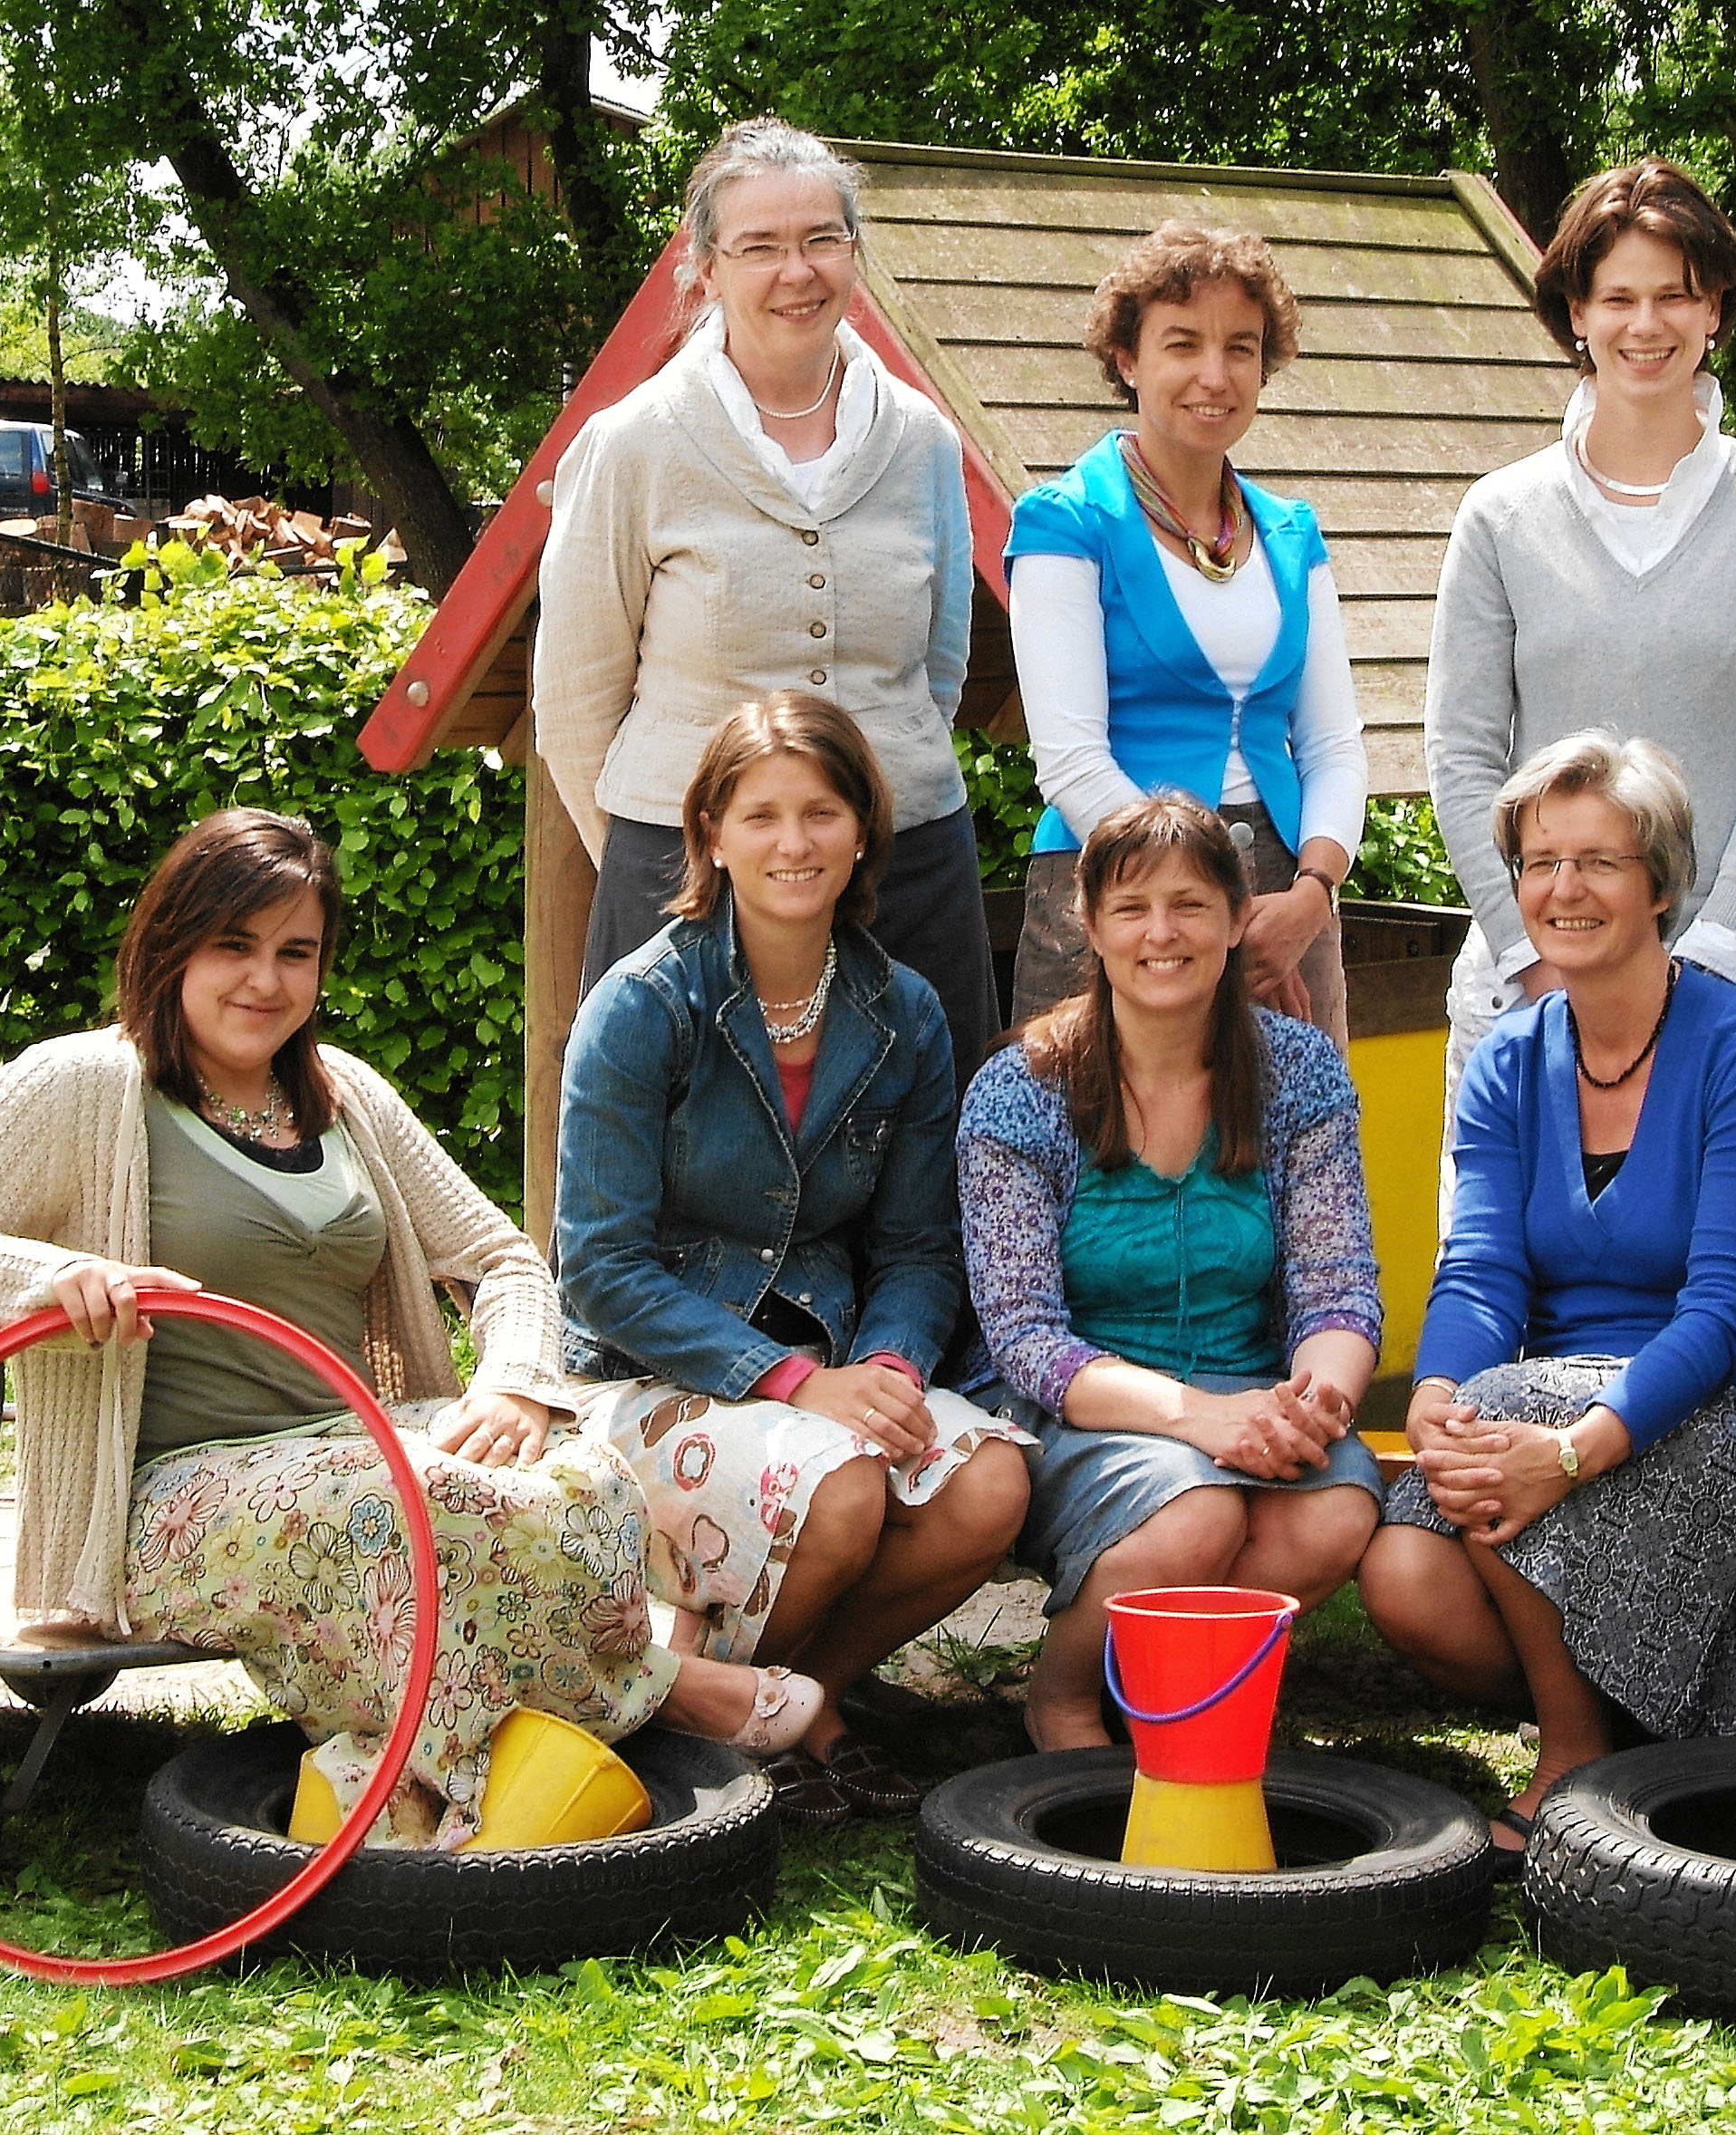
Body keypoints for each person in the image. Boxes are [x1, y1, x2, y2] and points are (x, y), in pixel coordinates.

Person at [0, 809, 818, 1850]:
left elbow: (500, 1256)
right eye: (234, 945)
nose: (264, 980)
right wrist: (49, 1273)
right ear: (169, 942)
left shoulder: (342, 1094)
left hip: (353, 1435)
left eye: (294, 953)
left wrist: (513, 1378)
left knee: (582, 1472)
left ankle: (456, 1762)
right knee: (403, 1508)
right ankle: (639, 1709)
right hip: (168, 1488)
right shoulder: (81, 1083)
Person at [555, 693, 1030, 1828]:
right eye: (760, 814)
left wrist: (890, 1371)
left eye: (820, 812)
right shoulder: (643, 1004)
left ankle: (761, 1693)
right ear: (710, 832)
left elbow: (920, 1245)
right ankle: (795, 1722)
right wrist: (797, 1385)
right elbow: (599, 1269)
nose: (792, 842)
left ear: (863, 830)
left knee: (988, 1484)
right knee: (845, 1483)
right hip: (652, 1373)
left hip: (835, 1362)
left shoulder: (903, 1010)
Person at [1363, 734, 1736, 1868]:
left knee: (1500, 1431)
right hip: (1540, 1404)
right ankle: (1638, 1726)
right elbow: (1477, 1269)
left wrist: (1568, 1450)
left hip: (1729, 1407)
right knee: (1400, 1575)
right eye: (1539, 862)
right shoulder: (1508, 1060)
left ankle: (1571, 1749)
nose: (1562, 889)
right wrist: (1435, 1390)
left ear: (1660, 883)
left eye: (1597, 862)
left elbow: (1724, 1312)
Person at [534, 118, 998, 1087]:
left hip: (906, 862)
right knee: (667, 1165)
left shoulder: (921, 441)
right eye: (761, 246)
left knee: (917, 1165)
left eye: (821, 239)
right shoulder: (633, 443)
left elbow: (936, 670)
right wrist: (683, 849)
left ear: (853, 252)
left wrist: (866, 800)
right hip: (682, 871)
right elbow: (576, 699)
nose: (798, 270)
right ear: (706, 267)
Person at [1427, 157, 1736, 1149]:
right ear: (1575, 311)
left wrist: (1699, 968)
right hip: (1535, 984)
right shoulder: (1500, 514)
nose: (1643, 325)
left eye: (1674, 296)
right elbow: (1461, 756)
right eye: (1616, 297)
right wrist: (1533, 952)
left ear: (1716, 314)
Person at [959, 794, 1384, 1749]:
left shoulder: (1299, 1071)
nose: (1162, 933)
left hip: (1249, 1383)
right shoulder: (1020, 1089)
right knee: (1193, 1513)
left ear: (1239, 921)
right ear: (1092, 926)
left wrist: (1312, 1404)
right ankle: (1065, 1695)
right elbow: (1025, 1340)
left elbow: (1338, 1285)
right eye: (1132, 908)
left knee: (1330, 1512)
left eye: (1191, 905)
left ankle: (1173, 1697)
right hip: (1081, 1407)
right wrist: (1201, 1420)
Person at [1004, 222, 1366, 1048]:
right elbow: (1070, 762)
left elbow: (1334, 747)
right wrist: (1207, 911)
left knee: (1291, 1165)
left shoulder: (1290, 534)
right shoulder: (1065, 525)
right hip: (1115, 893)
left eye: (1241, 348)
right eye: (1182, 344)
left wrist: (1312, 893)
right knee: (1100, 1163)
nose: (1215, 374)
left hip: (1287, 907)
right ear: (1127, 359)